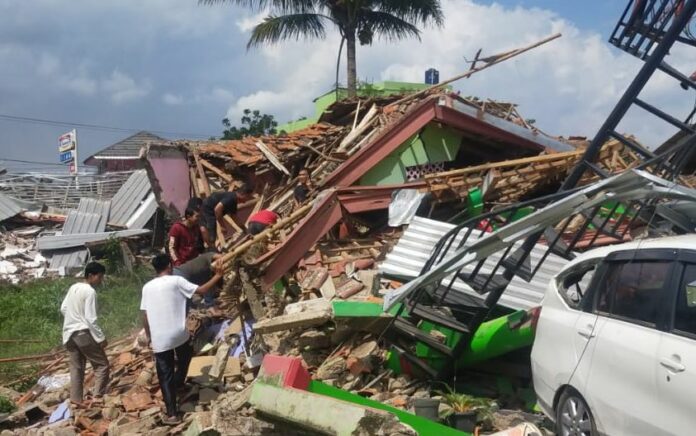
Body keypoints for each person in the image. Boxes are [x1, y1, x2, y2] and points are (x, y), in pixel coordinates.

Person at [140, 253, 224, 424]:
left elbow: (145, 315)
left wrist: (149, 336)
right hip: (179, 334)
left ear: (155, 269)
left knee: (165, 375)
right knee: (186, 355)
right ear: (170, 266)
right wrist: (218, 275)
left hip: (160, 338)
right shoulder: (176, 280)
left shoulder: (147, 287)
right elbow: (201, 291)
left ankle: (172, 414)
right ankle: (179, 382)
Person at [61, 261, 109, 405]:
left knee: (76, 368)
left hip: (69, 334)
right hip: (82, 333)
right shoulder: (90, 291)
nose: (100, 280)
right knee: (102, 365)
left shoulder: (73, 287)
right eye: (99, 277)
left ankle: (76, 401)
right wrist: (101, 338)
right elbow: (90, 318)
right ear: (90, 275)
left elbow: (63, 308)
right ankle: (97, 398)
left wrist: (73, 318)